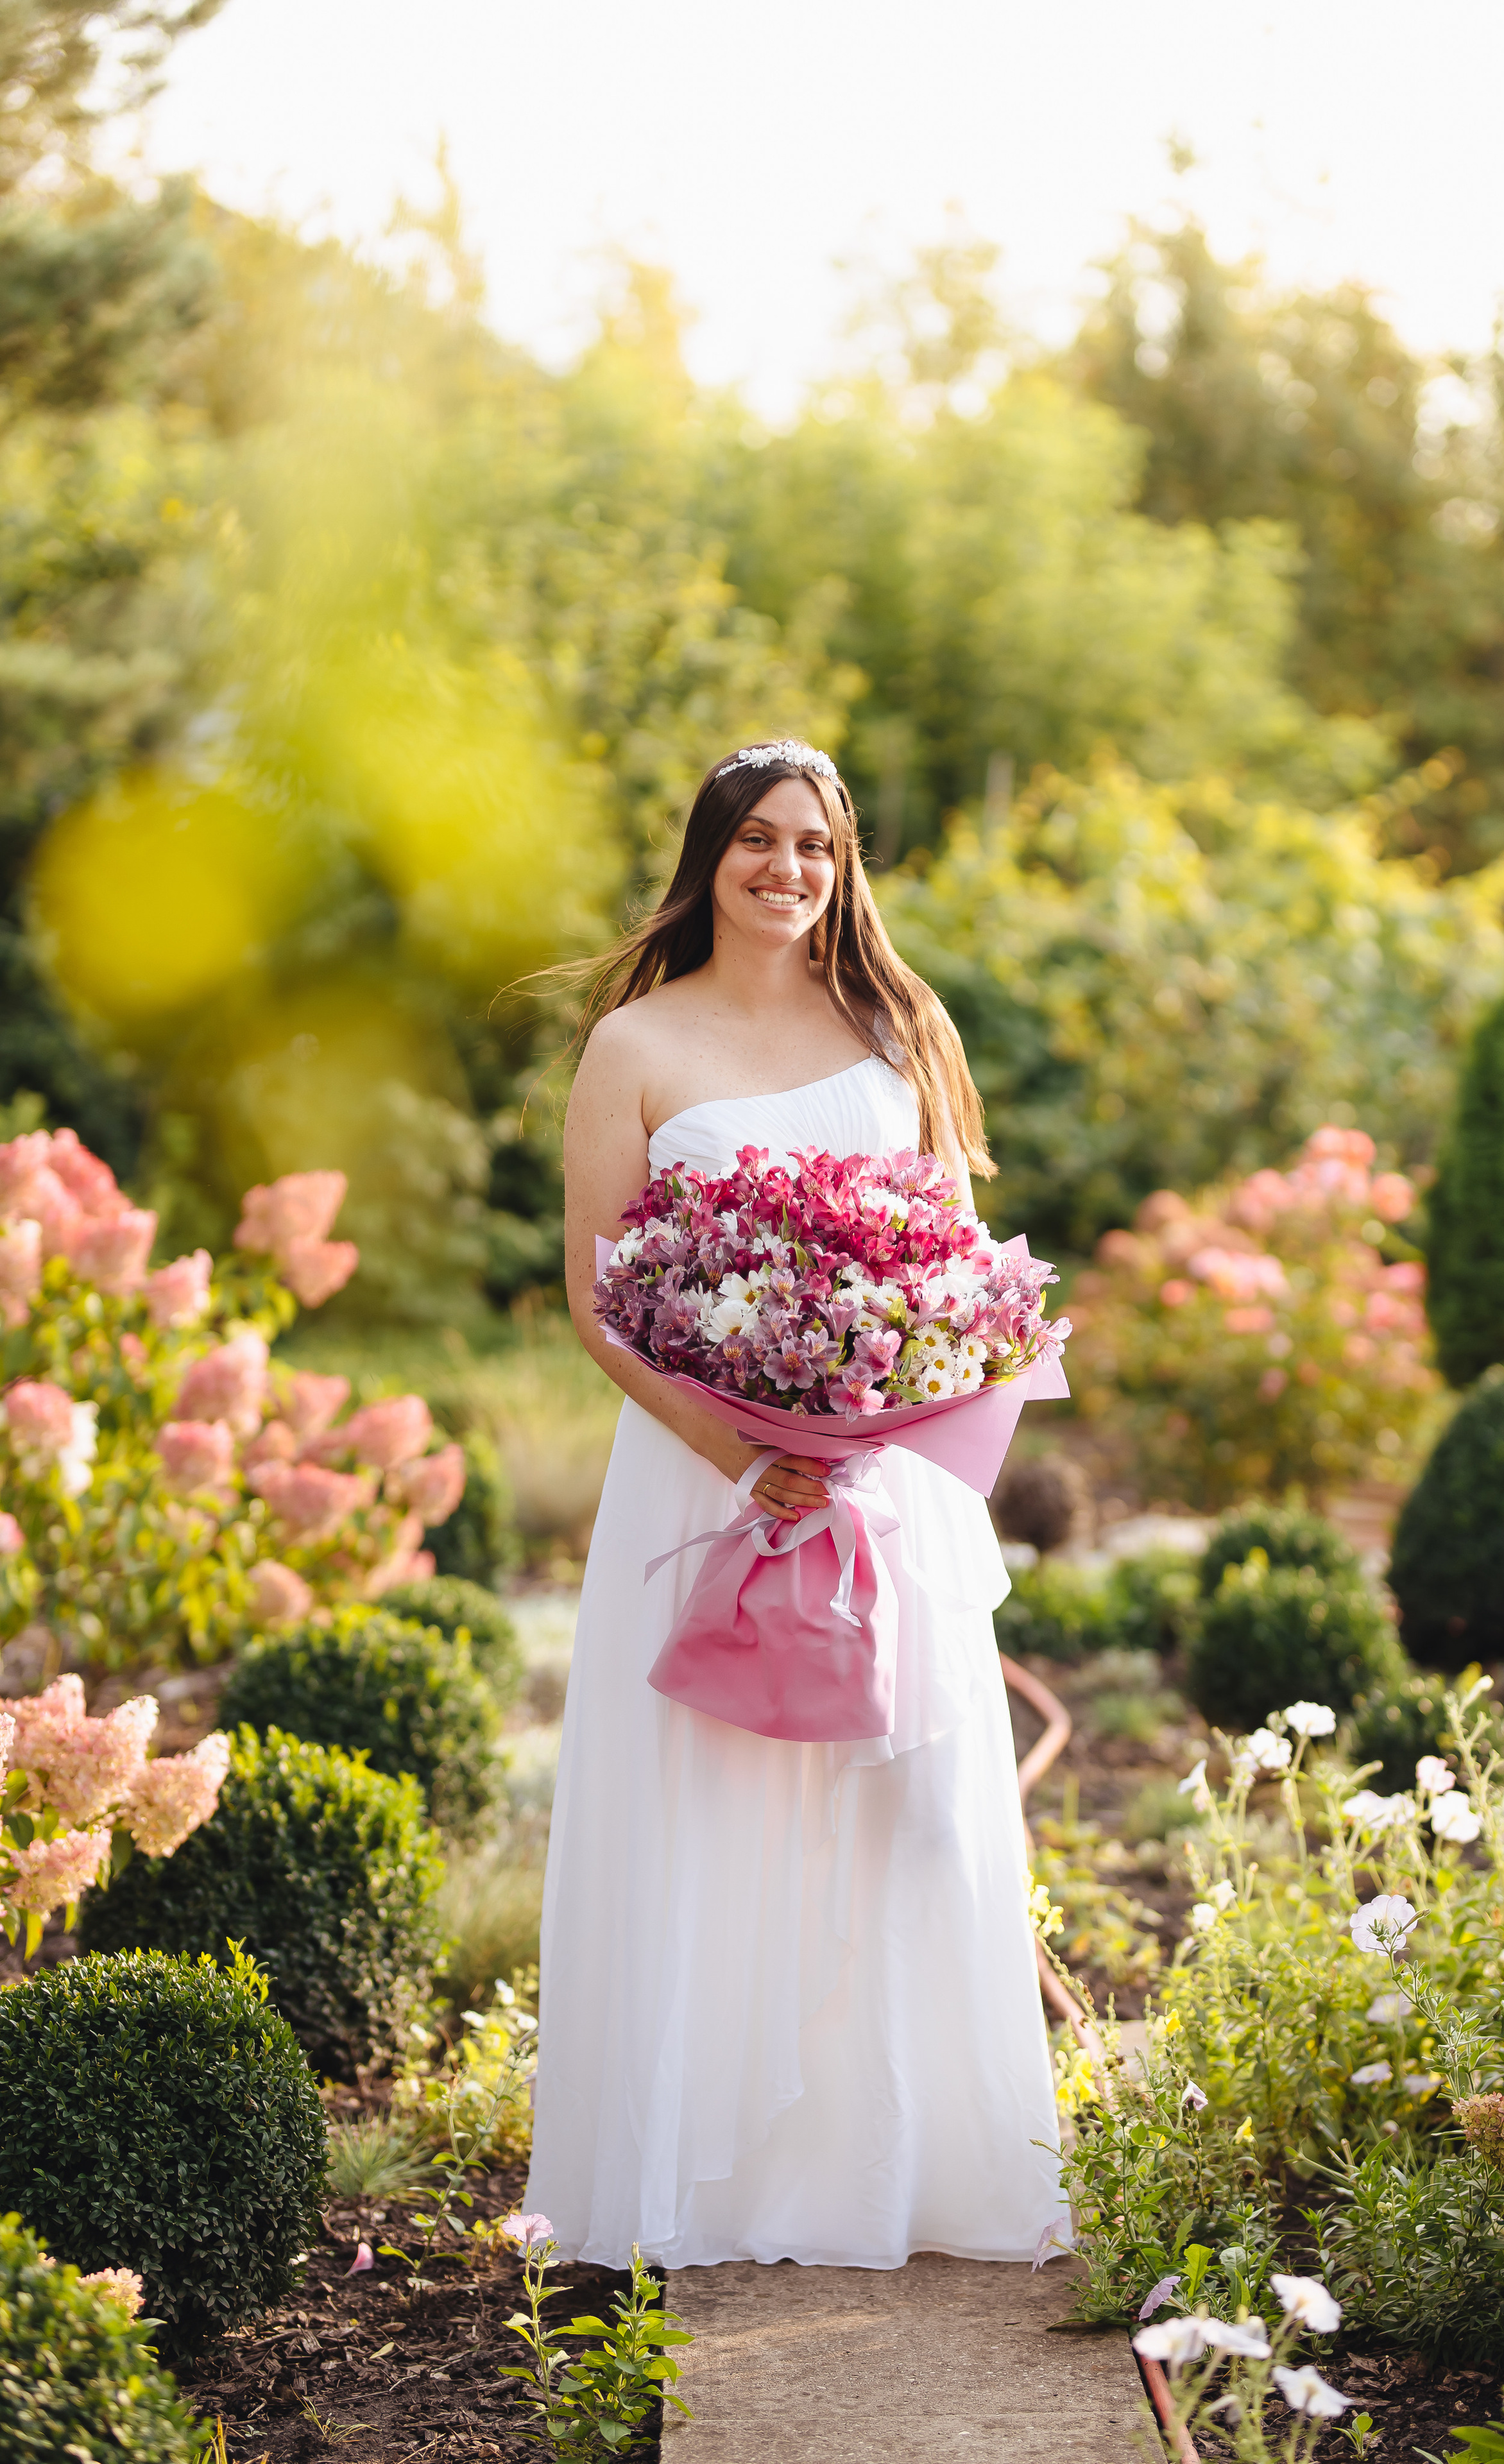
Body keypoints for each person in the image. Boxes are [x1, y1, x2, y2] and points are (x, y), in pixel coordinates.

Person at [522, 738, 1062, 2269]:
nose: (787, 869)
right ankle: (704, 2182)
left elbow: (957, 1273)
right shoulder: (633, 1045)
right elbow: (599, 1305)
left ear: (844, 865)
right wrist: (744, 1457)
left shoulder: (900, 1029)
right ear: (709, 857)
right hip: (702, 1478)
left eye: (815, 845)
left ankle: (897, 2173)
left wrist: (886, 1414)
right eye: (757, 839)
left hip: (887, 1480)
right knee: (707, 1803)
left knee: (907, 1819)